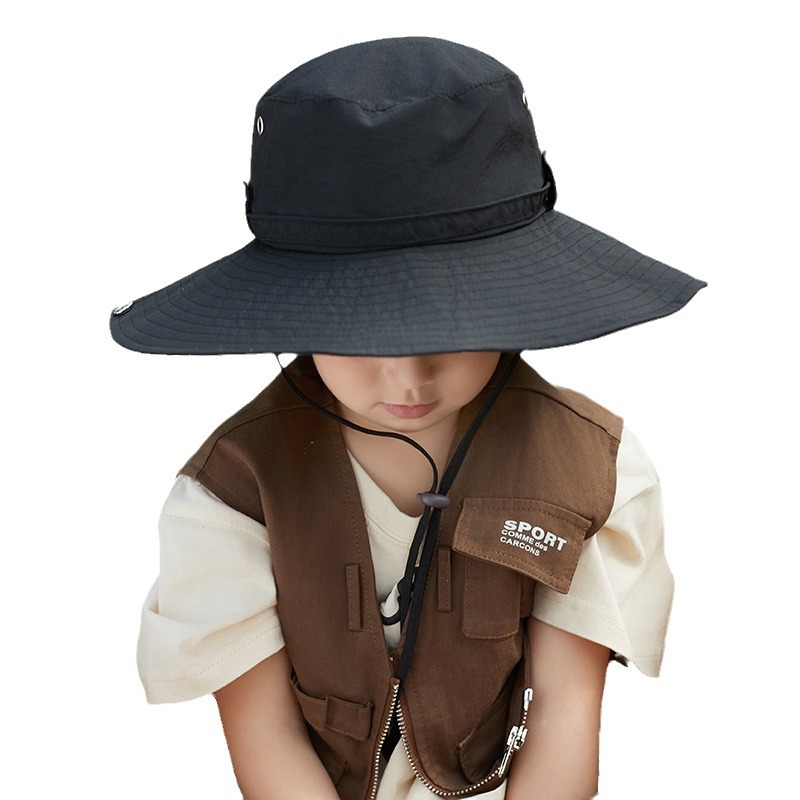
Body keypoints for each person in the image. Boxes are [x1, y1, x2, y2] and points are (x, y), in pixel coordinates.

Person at [111, 37, 705, 800]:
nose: (407, 374)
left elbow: (565, 715)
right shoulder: (229, 493)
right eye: (361, 328)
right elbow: (264, 734)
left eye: (448, 321)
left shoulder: (593, 472)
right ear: (293, 308)